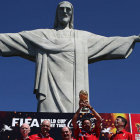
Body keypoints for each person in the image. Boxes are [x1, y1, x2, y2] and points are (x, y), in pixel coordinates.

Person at [0, 1, 140, 112]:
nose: (65, 12)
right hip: (49, 86)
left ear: (72, 14)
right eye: (61, 9)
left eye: (68, 9)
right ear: (57, 13)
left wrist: (132, 39)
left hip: (74, 87)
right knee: (49, 117)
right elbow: (17, 39)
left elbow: (106, 43)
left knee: (75, 114)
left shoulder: (81, 37)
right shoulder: (44, 36)